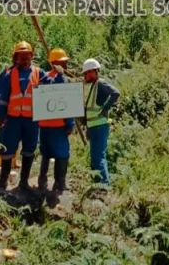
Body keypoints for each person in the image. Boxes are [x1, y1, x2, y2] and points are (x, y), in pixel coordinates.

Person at [0, 40, 52, 191]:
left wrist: (58, 73)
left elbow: (52, 88)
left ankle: (24, 182)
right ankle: (3, 180)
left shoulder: (39, 73)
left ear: (32, 56)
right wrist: (1, 116)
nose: (24, 58)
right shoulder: (8, 73)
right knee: (7, 150)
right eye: (21, 55)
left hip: (31, 121)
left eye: (27, 55)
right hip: (12, 120)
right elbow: (0, 96)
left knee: (29, 150)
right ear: (16, 57)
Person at [38, 47, 75, 193]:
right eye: (64, 62)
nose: (66, 65)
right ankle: (60, 183)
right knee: (62, 154)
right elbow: (64, 104)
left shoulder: (44, 78)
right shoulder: (60, 80)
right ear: (58, 63)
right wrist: (70, 123)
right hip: (58, 126)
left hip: (43, 125)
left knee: (45, 153)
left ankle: (42, 181)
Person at [82, 58, 119, 187]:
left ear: (92, 72)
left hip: (100, 127)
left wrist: (106, 109)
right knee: (94, 159)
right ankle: (98, 185)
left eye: (86, 73)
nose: (85, 76)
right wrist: (88, 127)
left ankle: (104, 187)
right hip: (94, 127)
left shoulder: (101, 83)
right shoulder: (95, 86)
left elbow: (115, 93)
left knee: (99, 158)